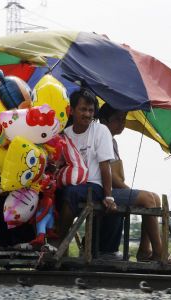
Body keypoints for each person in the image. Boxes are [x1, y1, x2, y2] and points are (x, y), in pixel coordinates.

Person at [98, 103, 171, 264]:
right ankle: (159, 253)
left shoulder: (112, 142)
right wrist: (128, 190)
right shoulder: (102, 139)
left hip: (115, 189)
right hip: (105, 191)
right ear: (104, 121)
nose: (122, 124)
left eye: (123, 119)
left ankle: (145, 250)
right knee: (148, 200)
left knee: (155, 199)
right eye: (117, 119)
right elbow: (108, 174)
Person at [56, 88, 118, 253]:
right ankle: (47, 243)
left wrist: (109, 196)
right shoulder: (64, 134)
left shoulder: (101, 131)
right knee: (50, 194)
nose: (88, 114)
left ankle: (59, 244)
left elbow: (105, 166)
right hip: (71, 183)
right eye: (83, 109)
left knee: (71, 193)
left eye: (91, 110)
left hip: (94, 185)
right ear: (71, 111)